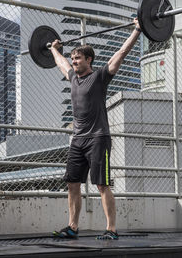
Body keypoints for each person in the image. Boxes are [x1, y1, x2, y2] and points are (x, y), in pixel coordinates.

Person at [50, 18, 141, 240]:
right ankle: (72, 227)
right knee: (72, 183)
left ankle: (111, 229)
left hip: (98, 138)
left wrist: (137, 30)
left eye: (78, 58)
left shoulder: (100, 77)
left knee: (102, 184)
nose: (73, 62)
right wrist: (53, 49)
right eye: (73, 58)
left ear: (89, 59)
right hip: (77, 140)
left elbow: (120, 53)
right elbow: (61, 62)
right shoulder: (73, 78)